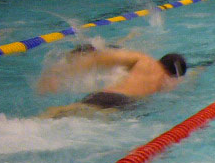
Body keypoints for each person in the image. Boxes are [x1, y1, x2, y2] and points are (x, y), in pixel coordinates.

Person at [39, 46, 187, 117]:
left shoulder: (144, 59)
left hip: (108, 95)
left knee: (62, 113)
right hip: (127, 104)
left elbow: (101, 58)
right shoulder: (164, 82)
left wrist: (61, 73)